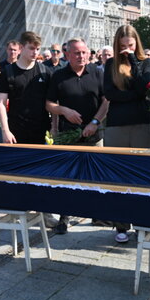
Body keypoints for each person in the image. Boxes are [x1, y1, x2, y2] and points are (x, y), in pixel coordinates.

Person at [46, 37, 109, 234]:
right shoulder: (58, 76)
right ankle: (64, 216)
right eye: (76, 53)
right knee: (68, 177)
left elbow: (106, 101)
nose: (81, 56)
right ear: (67, 55)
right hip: (68, 135)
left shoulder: (97, 73)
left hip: (94, 134)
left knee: (95, 175)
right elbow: (49, 104)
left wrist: (95, 122)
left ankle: (97, 214)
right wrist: (64, 111)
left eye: (84, 52)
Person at [103, 25, 150, 242]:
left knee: (141, 175)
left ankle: (143, 222)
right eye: (123, 46)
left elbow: (146, 87)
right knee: (118, 175)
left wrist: (133, 60)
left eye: (131, 45)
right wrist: (135, 95)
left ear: (137, 44)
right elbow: (109, 93)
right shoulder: (110, 64)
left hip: (141, 123)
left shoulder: (146, 62)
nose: (126, 49)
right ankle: (121, 225)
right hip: (117, 125)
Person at [0, 31, 51, 145]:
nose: (35, 52)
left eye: (38, 49)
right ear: (21, 47)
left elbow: (52, 101)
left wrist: (54, 127)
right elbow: (1, 103)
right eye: (31, 48)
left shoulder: (45, 71)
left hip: (41, 130)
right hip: (16, 131)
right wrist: (5, 131)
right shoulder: (7, 72)